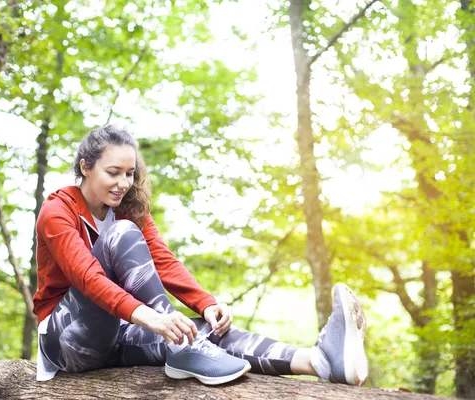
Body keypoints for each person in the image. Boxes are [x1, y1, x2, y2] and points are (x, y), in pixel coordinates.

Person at [33, 125, 369, 386]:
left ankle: (320, 362)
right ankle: (182, 349)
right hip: (65, 340)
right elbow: (86, 277)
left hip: (118, 334)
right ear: (86, 168)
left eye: (130, 173)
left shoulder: (128, 209)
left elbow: (163, 261)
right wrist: (152, 317)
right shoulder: (57, 210)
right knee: (122, 238)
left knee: (208, 333)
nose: (124, 183)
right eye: (113, 172)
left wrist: (206, 304)